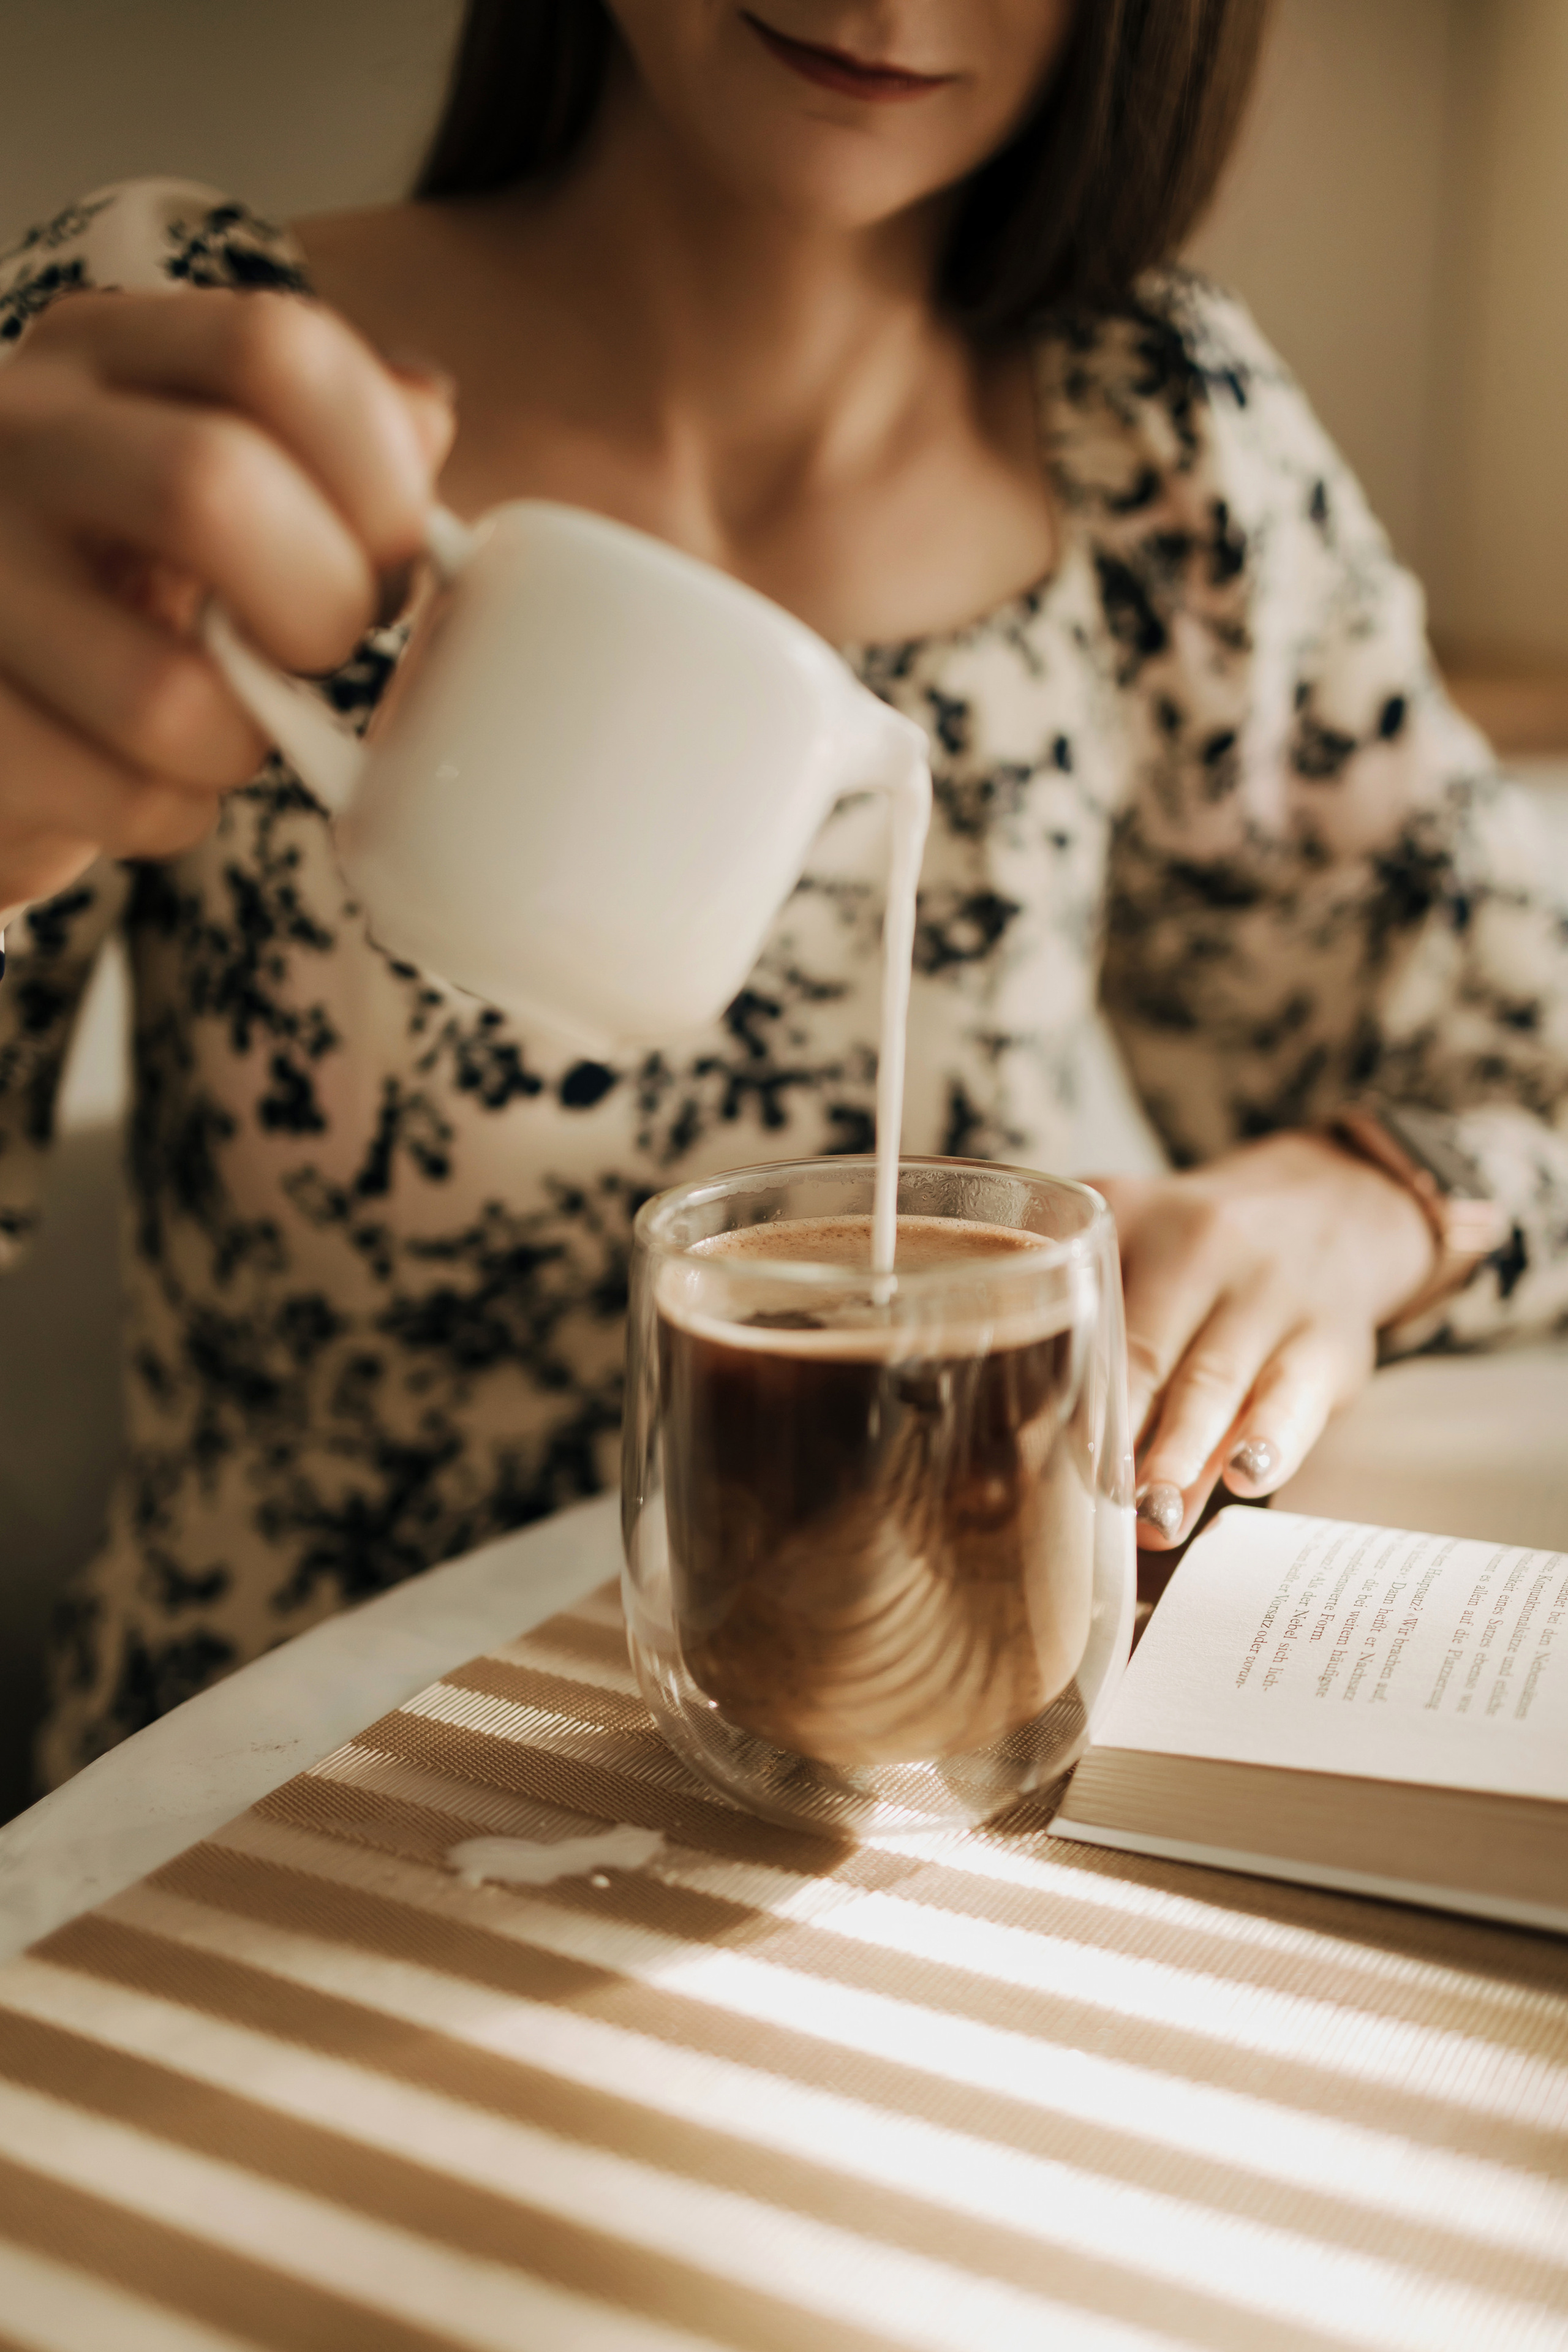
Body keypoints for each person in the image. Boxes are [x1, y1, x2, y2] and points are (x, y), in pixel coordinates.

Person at [1, 1, 1564, 1785]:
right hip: (273, 1792)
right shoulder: (181, 358)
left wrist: (1359, 1205)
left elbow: (1530, 1066)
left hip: (941, 1756)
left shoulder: (1153, 441)